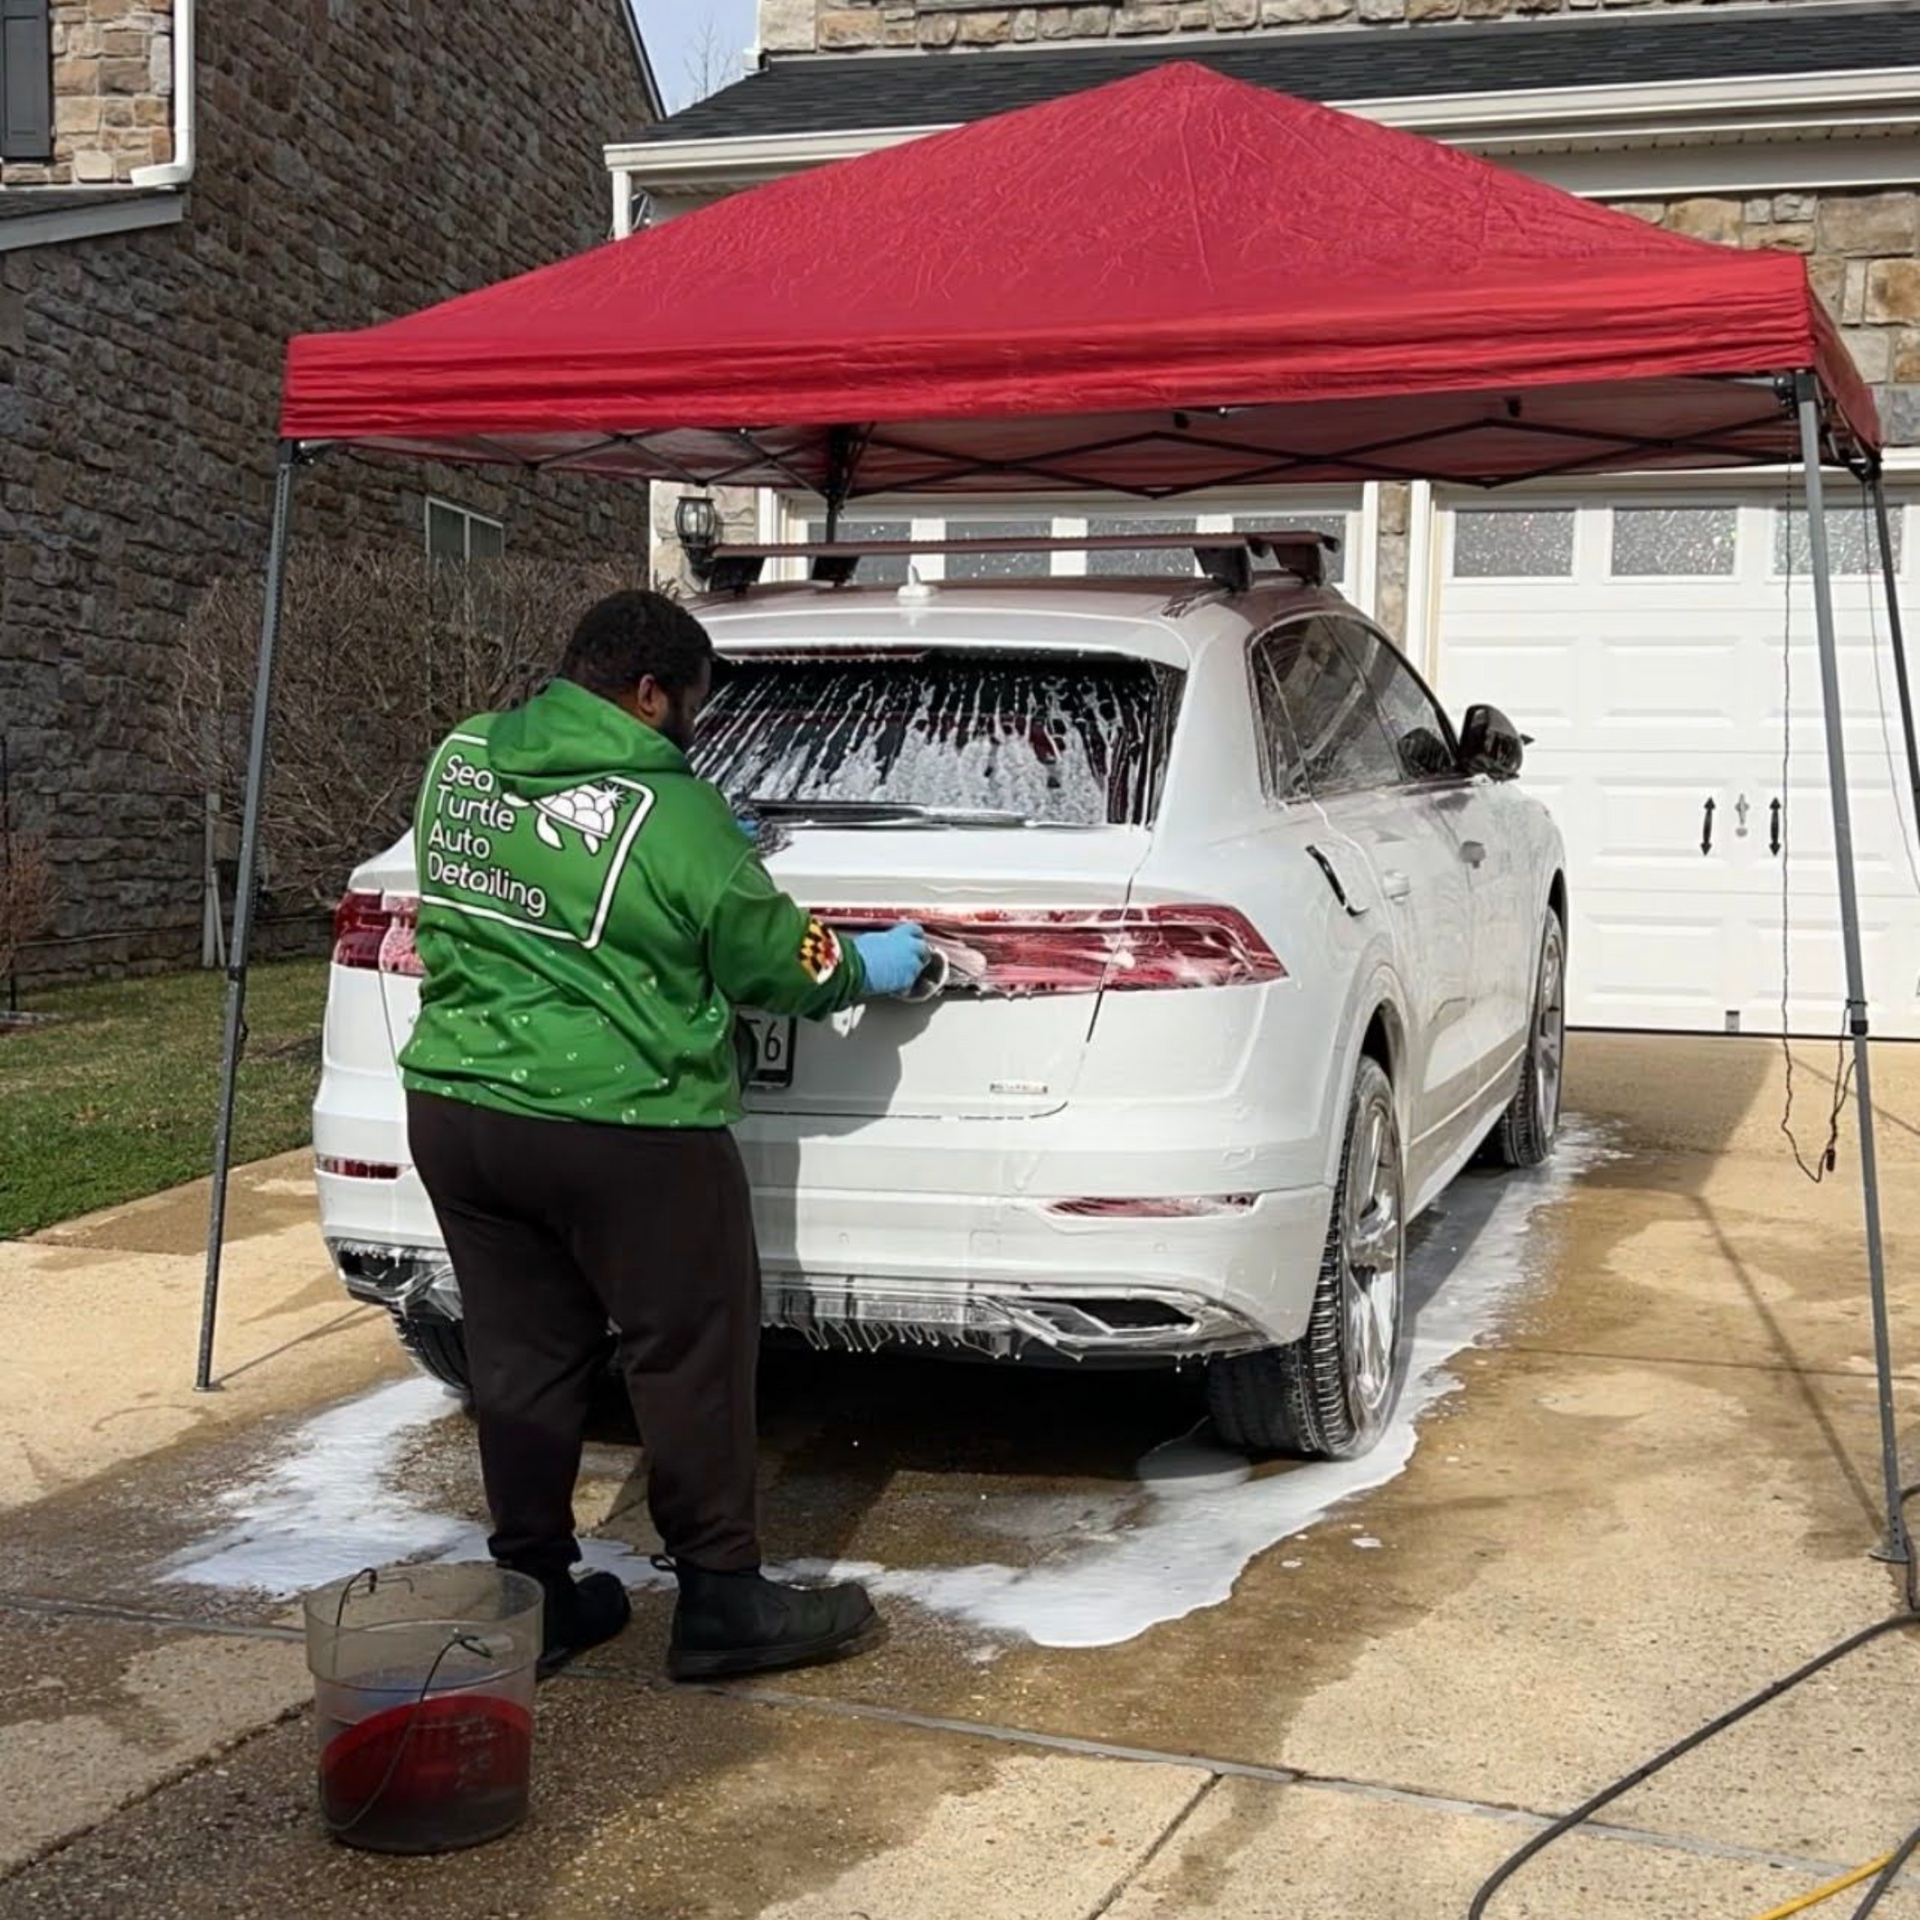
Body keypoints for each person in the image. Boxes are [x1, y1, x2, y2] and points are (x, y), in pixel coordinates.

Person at [398, 589, 930, 1680]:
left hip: (460, 1109)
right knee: (686, 1353)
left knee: (522, 1355)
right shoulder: (676, 813)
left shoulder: (461, 756)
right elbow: (772, 964)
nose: (694, 726)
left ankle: (536, 1593)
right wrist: (870, 960)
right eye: (691, 704)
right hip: (623, 1125)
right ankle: (724, 1600)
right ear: (652, 693)